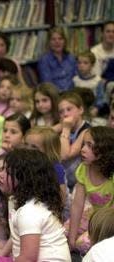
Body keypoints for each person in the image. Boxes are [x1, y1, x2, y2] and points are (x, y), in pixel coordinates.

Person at [0, 148, 71, 262]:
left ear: (23, 179)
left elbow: (28, 259)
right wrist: (1, 256)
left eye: (7, 172)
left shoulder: (29, 213)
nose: (0, 175)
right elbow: (16, 237)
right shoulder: (14, 200)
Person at [66, 126, 114, 255]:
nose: (82, 149)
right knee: (64, 233)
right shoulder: (83, 169)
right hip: (92, 214)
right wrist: (71, 237)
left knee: (83, 243)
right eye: (83, 144)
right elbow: (77, 205)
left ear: (104, 150)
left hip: (109, 220)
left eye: (89, 145)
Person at [24, 126, 70, 221]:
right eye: (26, 144)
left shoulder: (56, 168)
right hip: (33, 206)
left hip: (54, 211)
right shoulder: (25, 164)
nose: (27, 150)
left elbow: (61, 199)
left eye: (34, 147)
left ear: (48, 150)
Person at [58, 91, 90, 191]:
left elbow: (65, 155)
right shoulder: (62, 127)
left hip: (80, 183)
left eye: (69, 109)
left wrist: (66, 128)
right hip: (66, 181)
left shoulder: (87, 130)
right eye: (61, 111)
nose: (65, 114)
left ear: (80, 109)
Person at [37, 27, 77, 92]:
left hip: (72, 94)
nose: (57, 42)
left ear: (65, 41)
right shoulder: (44, 60)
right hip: (55, 96)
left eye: (60, 39)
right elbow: (48, 85)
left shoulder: (71, 58)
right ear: (49, 42)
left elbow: (76, 79)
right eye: (53, 39)